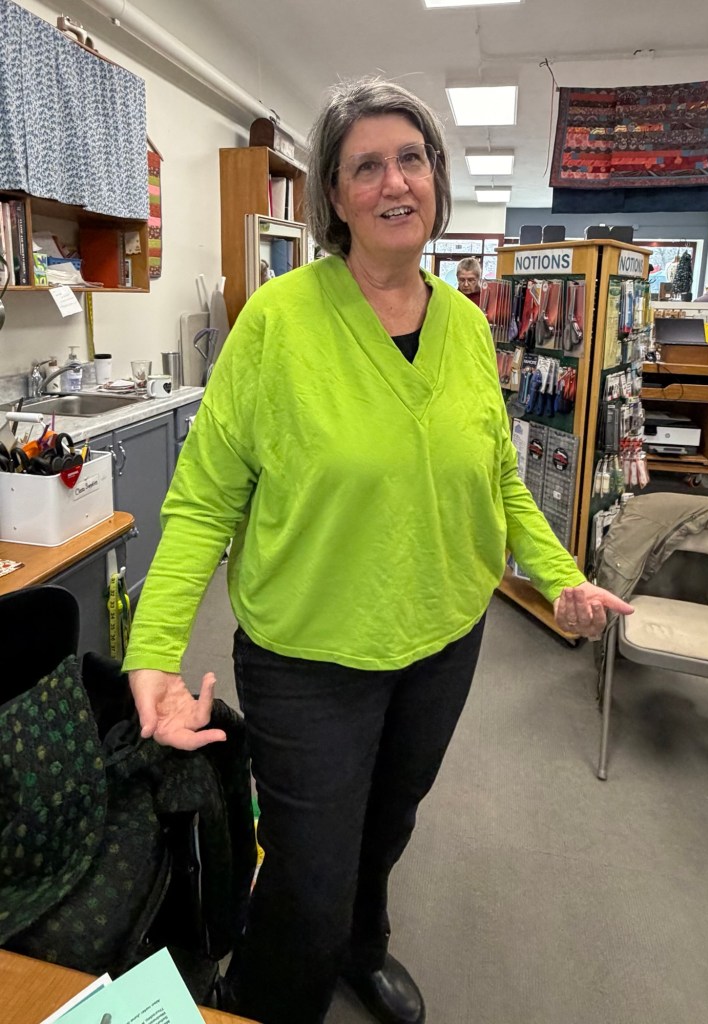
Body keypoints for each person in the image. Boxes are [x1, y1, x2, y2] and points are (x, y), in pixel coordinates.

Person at [123, 76, 632, 1024]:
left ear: (436, 177)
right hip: (309, 654)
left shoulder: (470, 327)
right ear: (334, 195)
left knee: (388, 823)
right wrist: (153, 650)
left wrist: (560, 573)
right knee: (308, 874)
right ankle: (264, 997)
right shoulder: (278, 323)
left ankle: (364, 948)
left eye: (411, 159)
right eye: (367, 166)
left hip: (442, 638)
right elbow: (201, 500)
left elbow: (498, 474)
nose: (395, 182)